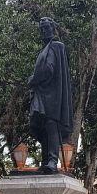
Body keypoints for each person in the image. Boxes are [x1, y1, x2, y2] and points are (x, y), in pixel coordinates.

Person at [27, 16, 73, 173]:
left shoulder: (55, 46)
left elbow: (49, 69)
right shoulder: (44, 50)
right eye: (42, 29)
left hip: (52, 95)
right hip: (41, 94)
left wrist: (33, 79)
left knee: (51, 125)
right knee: (42, 125)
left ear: (53, 28)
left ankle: (52, 161)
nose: (45, 31)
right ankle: (46, 160)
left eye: (47, 28)